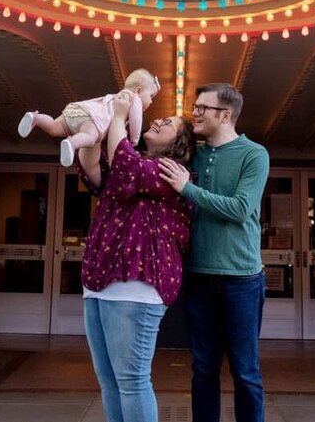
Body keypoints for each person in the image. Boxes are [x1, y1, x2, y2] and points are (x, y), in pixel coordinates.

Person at [75, 91, 197, 422]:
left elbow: (124, 164)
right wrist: (96, 125)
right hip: (100, 280)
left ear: (181, 145)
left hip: (138, 283)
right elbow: (93, 168)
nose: (158, 119)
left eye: (168, 123)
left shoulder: (169, 170)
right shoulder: (131, 165)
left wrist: (118, 117)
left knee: (131, 380)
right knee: (109, 381)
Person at [157, 82, 270, 422]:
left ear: (225, 114)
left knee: (245, 370)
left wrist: (187, 188)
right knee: (203, 367)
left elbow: (240, 209)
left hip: (243, 280)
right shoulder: (195, 154)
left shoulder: (254, 155)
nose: (196, 113)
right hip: (199, 277)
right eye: (195, 107)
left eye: (203, 108)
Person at [18, 68, 160, 166]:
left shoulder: (116, 95)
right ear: (138, 90)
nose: (151, 101)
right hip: (93, 118)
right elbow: (136, 119)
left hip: (77, 109)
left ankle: (35, 118)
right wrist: (134, 139)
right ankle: (72, 144)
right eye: (151, 96)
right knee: (90, 137)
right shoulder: (133, 99)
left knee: (54, 127)